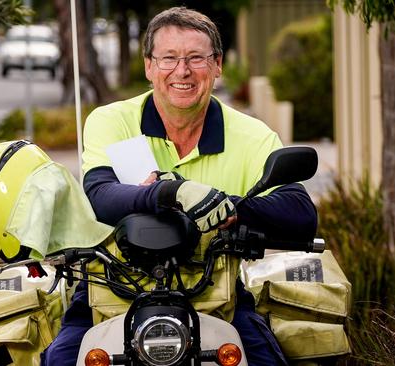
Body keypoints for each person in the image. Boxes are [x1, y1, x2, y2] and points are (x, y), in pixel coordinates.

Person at [41, 6, 317, 366]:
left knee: (265, 360)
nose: (182, 71)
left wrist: (229, 209)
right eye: (168, 58)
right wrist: (173, 193)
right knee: (61, 359)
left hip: (218, 300)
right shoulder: (112, 121)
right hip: (107, 295)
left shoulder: (251, 134)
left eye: (196, 58)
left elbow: (301, 213)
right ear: (149, 66)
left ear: (217, 65)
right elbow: (99, 196)